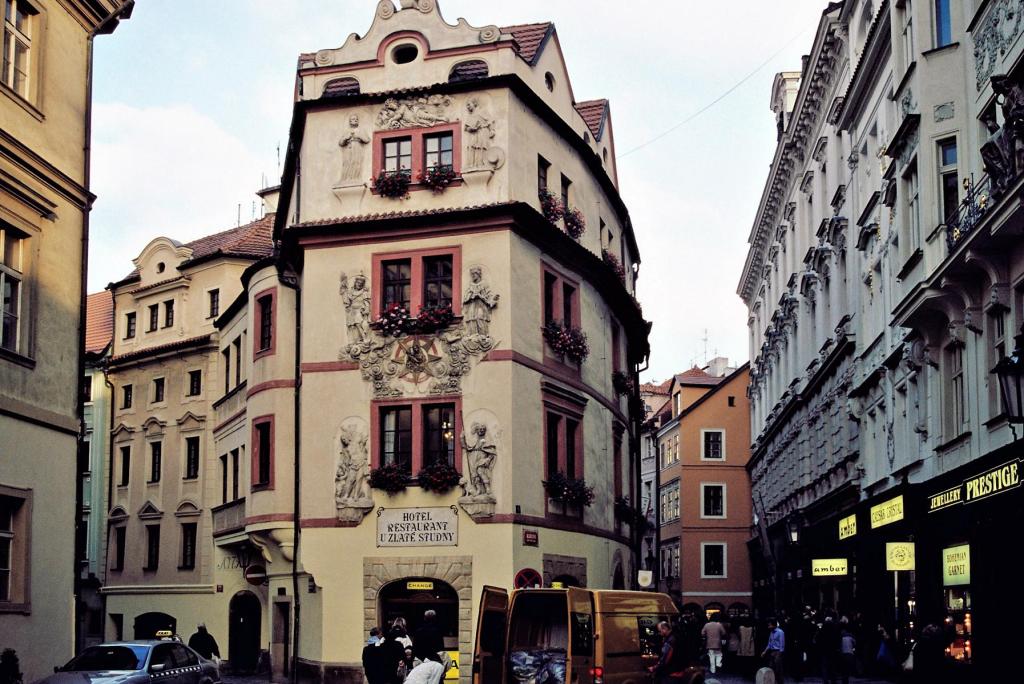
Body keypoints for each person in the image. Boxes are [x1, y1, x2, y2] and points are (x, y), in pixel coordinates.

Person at [761, 617, 785, 684]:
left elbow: (782, 645)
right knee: (771, 668)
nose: (768, 626)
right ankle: (773, 682)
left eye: (770, 625)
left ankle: (780, 682)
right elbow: (769, 643)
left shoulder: (780, 632)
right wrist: (764, 652)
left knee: (778, 669)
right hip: (772, 652)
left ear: (774, 625)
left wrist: (779, 655)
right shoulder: (771, 632)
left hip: (778, 652)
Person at [839, 619, 856, 684]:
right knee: (847, 669)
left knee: (844, 669)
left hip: (843, 654)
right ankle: (846, 680)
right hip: (850, 653)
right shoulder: (850, 636)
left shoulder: (840, 637)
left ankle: (844, 680)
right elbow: (855, 643)